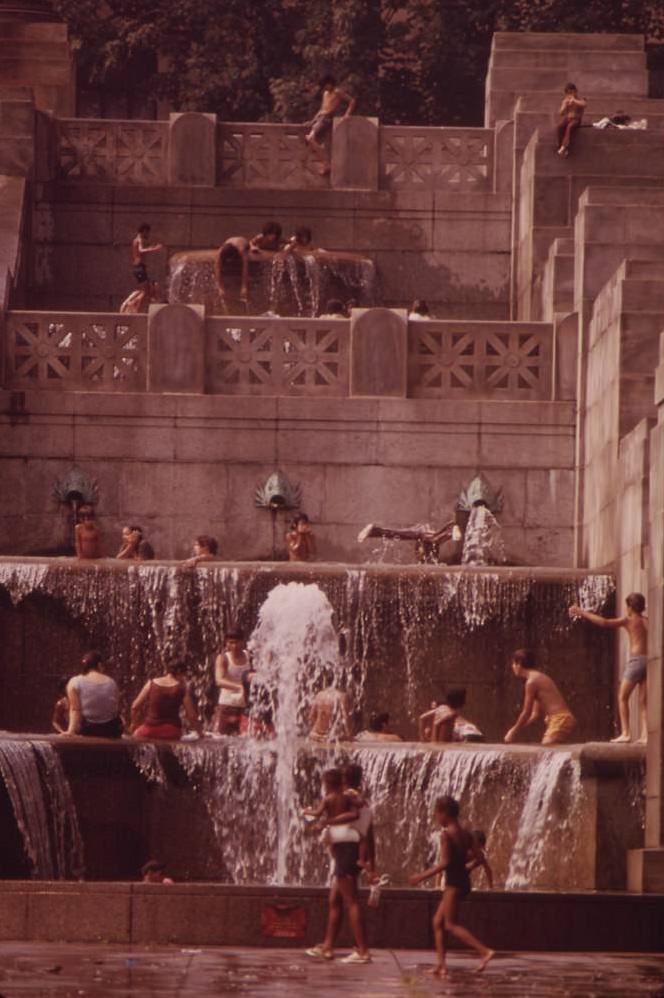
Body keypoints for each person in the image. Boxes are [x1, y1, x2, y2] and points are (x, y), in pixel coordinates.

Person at [409, 795, 494, 977]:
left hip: (453, 883)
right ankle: (441, 966)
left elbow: (445, 862)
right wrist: (465, 865)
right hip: (463, 882)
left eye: (437, 814)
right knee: (437, 922)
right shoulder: (468, 834)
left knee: (450, 925)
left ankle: (484, 951)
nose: (436, 818)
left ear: (444, 814)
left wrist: (421, 876)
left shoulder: (446, 835)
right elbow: (480, 858)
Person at [304, 767, 371, 963]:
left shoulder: (336, 798)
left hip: (346, 852)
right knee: (335, 900)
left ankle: (363, 951)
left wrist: (325, 821)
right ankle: (327, 947)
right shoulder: (350, 797)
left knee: (351, 902)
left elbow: (355, 817)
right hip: (347, 850)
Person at [569, 593, 648, 743]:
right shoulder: (646, 621)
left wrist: (581, 612)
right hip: (649, 661)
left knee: (622, 697)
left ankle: (626, 733)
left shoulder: (628, 620)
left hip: (636, 661)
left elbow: (605, 622)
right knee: (644, 701)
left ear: (630, 607)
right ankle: (645, 736)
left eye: (627, 607)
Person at [504, 648, 576, 745]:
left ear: (519, 664)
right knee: (549, 751)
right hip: (560, 720)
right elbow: (534, 714)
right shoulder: (537, 678)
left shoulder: (531, 682)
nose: (512, 667)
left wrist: (513, 731)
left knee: (546, 750)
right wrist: (517, 728)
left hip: (560, 720)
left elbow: (526, 712)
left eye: (513, 663)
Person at [131, 663, 202, 741]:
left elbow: (134, 707)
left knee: (135, 735)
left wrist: (134, 724)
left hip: (150, 730)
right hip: (173, 732)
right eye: (183, 675)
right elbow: (191, 715)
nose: (183, 679)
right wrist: (200, 733)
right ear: (179, 672)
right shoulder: (182, 688)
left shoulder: (151, 683)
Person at [63, 650, 123, 738]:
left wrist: (70, 731)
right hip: (110, 730)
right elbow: (115, 708)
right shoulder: (112, 682)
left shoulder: (74, 682)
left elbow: (75, 709)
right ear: (99, 665)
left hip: (88, 730)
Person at [305, 75, 356, 176]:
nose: (326, 87)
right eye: (324, 86)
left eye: (327, 85)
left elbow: (352, 101)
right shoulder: (325, 93)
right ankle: (325, 163)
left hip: (327, 119)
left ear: (330, 83)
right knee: (310, 141)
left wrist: (347, 114)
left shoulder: (337, 91)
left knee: (310, 139)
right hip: (321, 118)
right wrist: (312, 121)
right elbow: (321, 109)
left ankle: (326, 163)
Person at [358, 517, 463, 565]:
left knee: (431, 538)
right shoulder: (428, 543)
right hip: (426, 534)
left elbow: (436, 538)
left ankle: (374, 530)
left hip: (425, 534)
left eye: (418, 551)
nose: (416, 553)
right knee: (400, 534)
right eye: (417, 551)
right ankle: (374, 530)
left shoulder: (426, 539)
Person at [213, 629, 252, 736]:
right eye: (231, 643)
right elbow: (219, 681)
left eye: (237, 642)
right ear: (226, 643)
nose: (234, 646)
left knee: (245, 740)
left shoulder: (249, 656)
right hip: (227, 705)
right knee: (222, 740)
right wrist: (240, 687)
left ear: (243, 642)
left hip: (245, 707)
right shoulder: (223, 658)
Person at [419, 689, 485, 743]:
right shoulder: (448, 711)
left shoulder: (446, 712)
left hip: (469, 736)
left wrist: (423, 739)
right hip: (476, 733)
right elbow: (422, 719)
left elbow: (422, 718)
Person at [309, 670, 353, 742]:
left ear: (325, 681)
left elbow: (311, 717)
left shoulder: (319, 695)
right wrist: (349, 736)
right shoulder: (341, 696)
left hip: (316, 734)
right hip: (332, 736)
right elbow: (345, 718)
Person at [214, 236, 251, 308]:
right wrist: (220, 287)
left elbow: (245, 268)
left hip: (243, 241)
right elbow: (217, 269)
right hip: (229, 241)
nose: (229, 261)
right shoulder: (220, 252)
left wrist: (244, 287)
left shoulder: (241, 250)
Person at [557, 82, 586, 158]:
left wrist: (574, 101)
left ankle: (564, 146)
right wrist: (565, 106)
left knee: (569, 127)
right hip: (567, 119)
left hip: (576, 119)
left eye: (572, 92)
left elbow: (584, 104)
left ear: (575, 91)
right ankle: (561, 146)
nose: (570, 94)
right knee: (559, 127)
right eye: (568, 93)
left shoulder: (580, 99)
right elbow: (561, 113)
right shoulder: (565, 100)